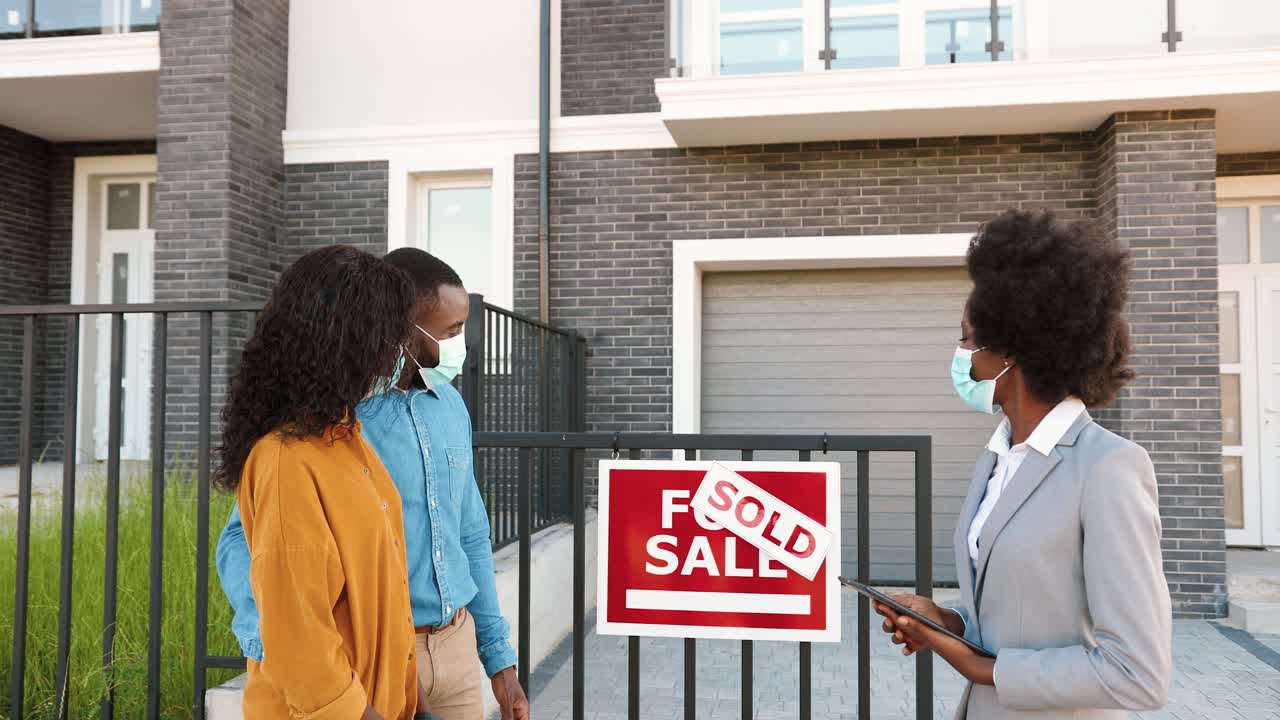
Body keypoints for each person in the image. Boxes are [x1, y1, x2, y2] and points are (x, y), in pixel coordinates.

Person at [874, 209, 1173, 719]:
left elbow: (1138, 675)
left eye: (967, 339)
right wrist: (948, 621)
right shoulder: (996, 459)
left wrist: (978, 667)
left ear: (1010, 349)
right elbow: (1015, 611)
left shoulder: (1109, 469)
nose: (961, 355)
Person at [217, 248, 530, 720]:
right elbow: (272, 578)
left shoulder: (360, 434)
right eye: (450, 331)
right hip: (350, 677)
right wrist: (284, 649)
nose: (460, 344)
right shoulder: (292, 452)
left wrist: (494, 658)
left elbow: (465, 535)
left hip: (421, 658)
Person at [213, 245, 420, 720]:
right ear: (346, 342)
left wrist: (416, 701)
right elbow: (297, 635)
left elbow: (385, 596)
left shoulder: (349, 439)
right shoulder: (286, 462)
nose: (396, 354)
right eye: (387, 338)